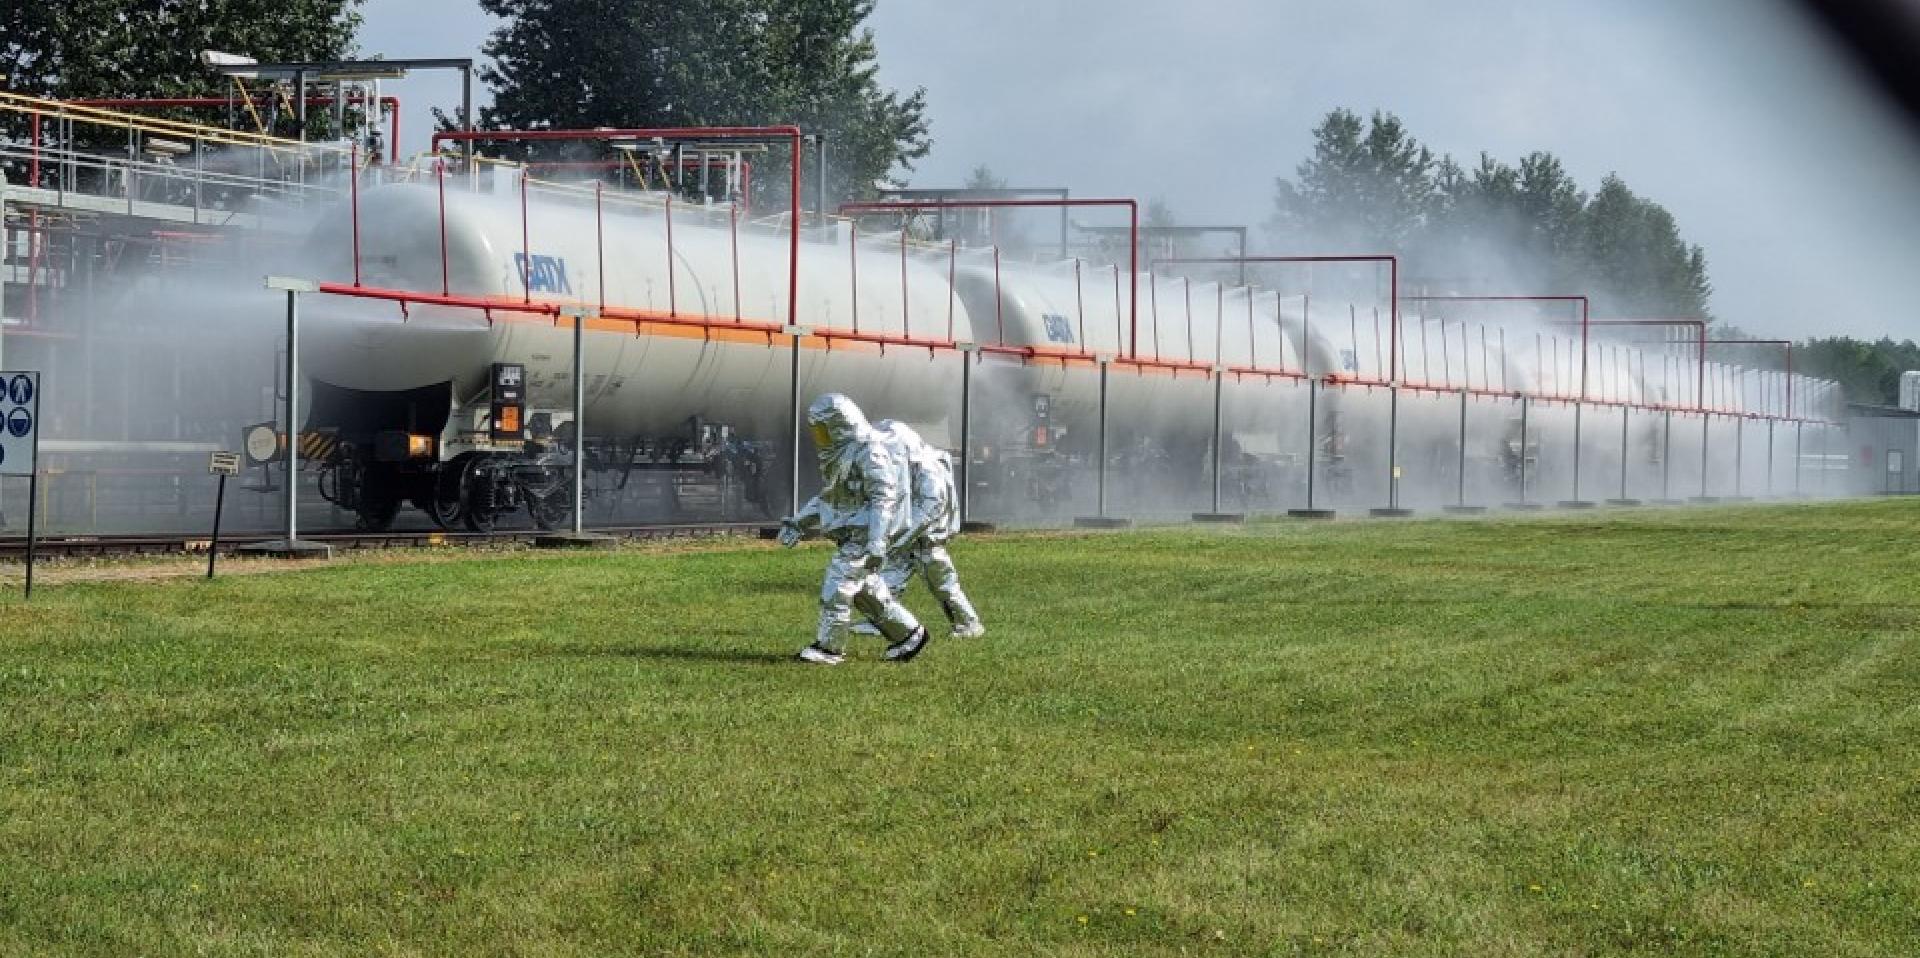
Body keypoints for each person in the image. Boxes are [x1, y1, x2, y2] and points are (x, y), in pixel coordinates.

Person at [779, 394, 931, 665]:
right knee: (866, 592)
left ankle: (829, 648)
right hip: (858, 533)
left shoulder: (869, 450)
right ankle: (909, 635)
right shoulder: (842, 452)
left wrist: (877, 542)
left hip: (865, 535)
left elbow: (883, 498)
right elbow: (832, 499)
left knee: (838, 584)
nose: (820, 437)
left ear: (840, 424)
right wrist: (798, 522)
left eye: (823, 429)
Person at [853, 419, 985, 638]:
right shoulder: (905, 467)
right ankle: (882, 622)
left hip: (927, 542)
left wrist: (902, 535)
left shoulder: (928, 467)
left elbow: (931, 505)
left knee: (944, 586)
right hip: (910, 541)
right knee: (888, 580)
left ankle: (968, 623)